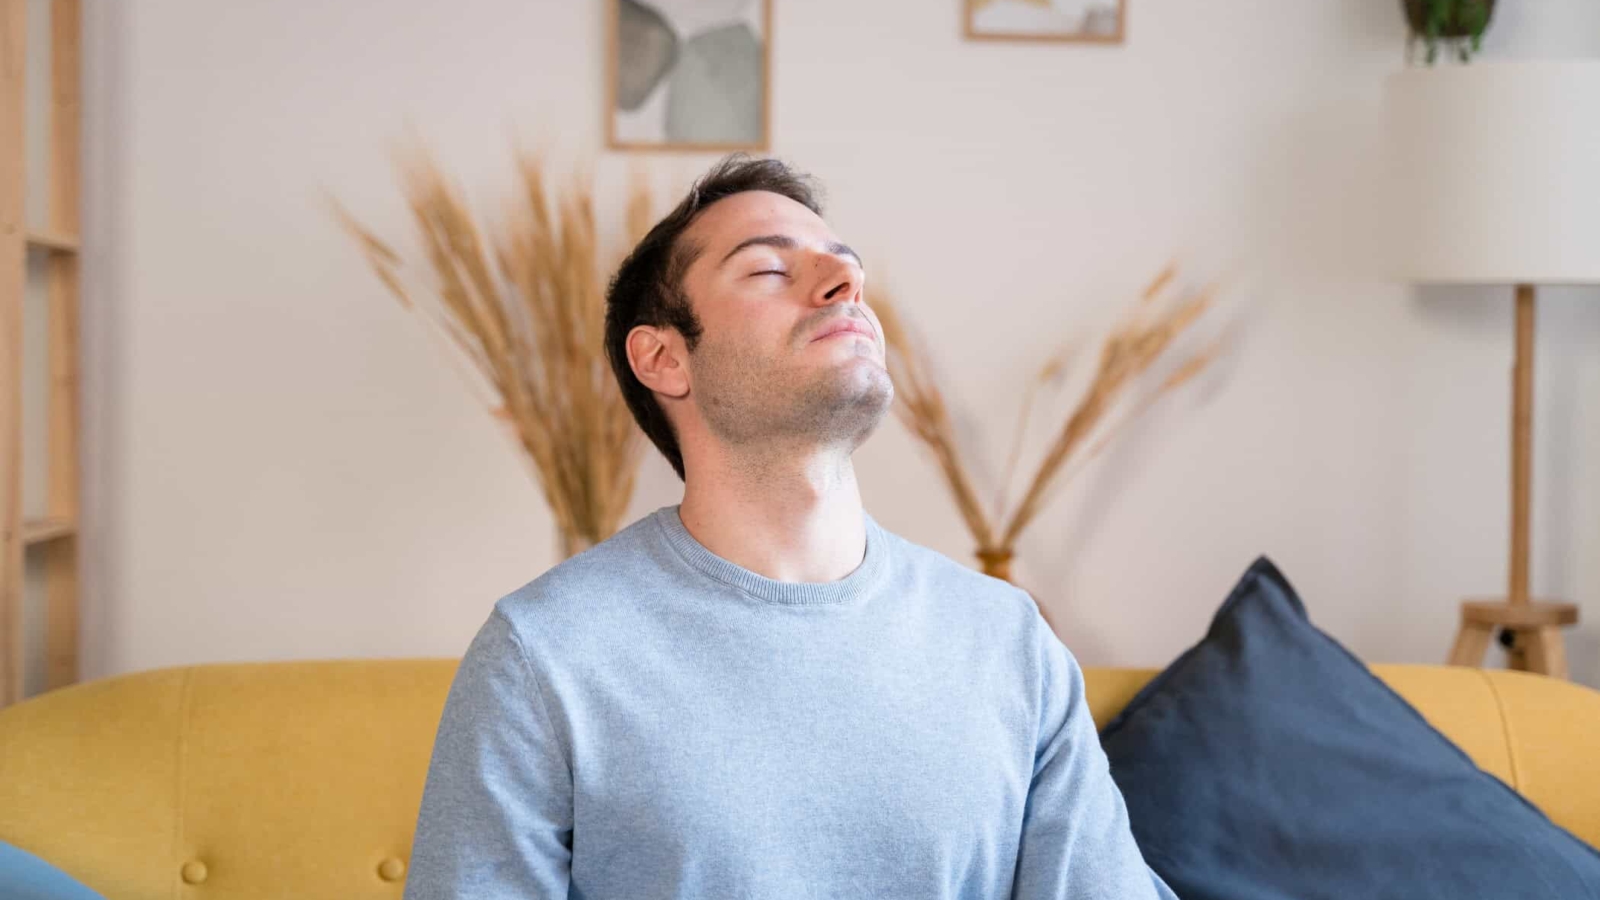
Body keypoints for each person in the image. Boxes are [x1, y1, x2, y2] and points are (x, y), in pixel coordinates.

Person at [403, 155, 1176, 900]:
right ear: (665, 358)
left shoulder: (1010, 642)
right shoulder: (546, 654)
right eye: (769, 269)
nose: (846, 285)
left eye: (849, 268)